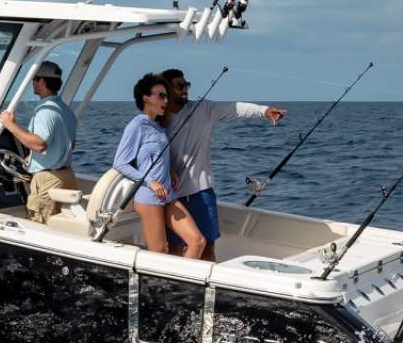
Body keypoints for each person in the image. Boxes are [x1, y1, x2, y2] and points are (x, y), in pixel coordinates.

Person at [160, 67, 286, 261]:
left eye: (187, 85)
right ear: (166, 89)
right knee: (175, 249)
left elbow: (234, 109)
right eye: (180, 86)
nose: (185, 90)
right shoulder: (157, 119)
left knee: (208, 247)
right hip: (172, 196)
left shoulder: (203, 109)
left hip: (201, 193)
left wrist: (264, 111)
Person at [113, 73, 206, 258]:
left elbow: (155, 155)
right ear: (146, 98)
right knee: (160, 252)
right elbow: (120, 163)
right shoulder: (136, 126)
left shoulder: (159, 127)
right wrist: (151, 182)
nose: (166, 100)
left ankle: (180, 278)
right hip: (149, 196)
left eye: (167, 96)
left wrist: (169, 170)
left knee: (197, 242)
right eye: (161, 96)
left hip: (168, 194)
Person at [0, 61, 79, 224]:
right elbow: (69, 144)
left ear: (41, 81)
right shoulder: (65, 109)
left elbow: (39, 144)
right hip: (67, 176)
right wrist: (33, 157)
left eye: (34, 79)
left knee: (41, 228)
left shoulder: (45, 111)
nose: (32, 82)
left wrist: (10, 125)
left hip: (49, 180)